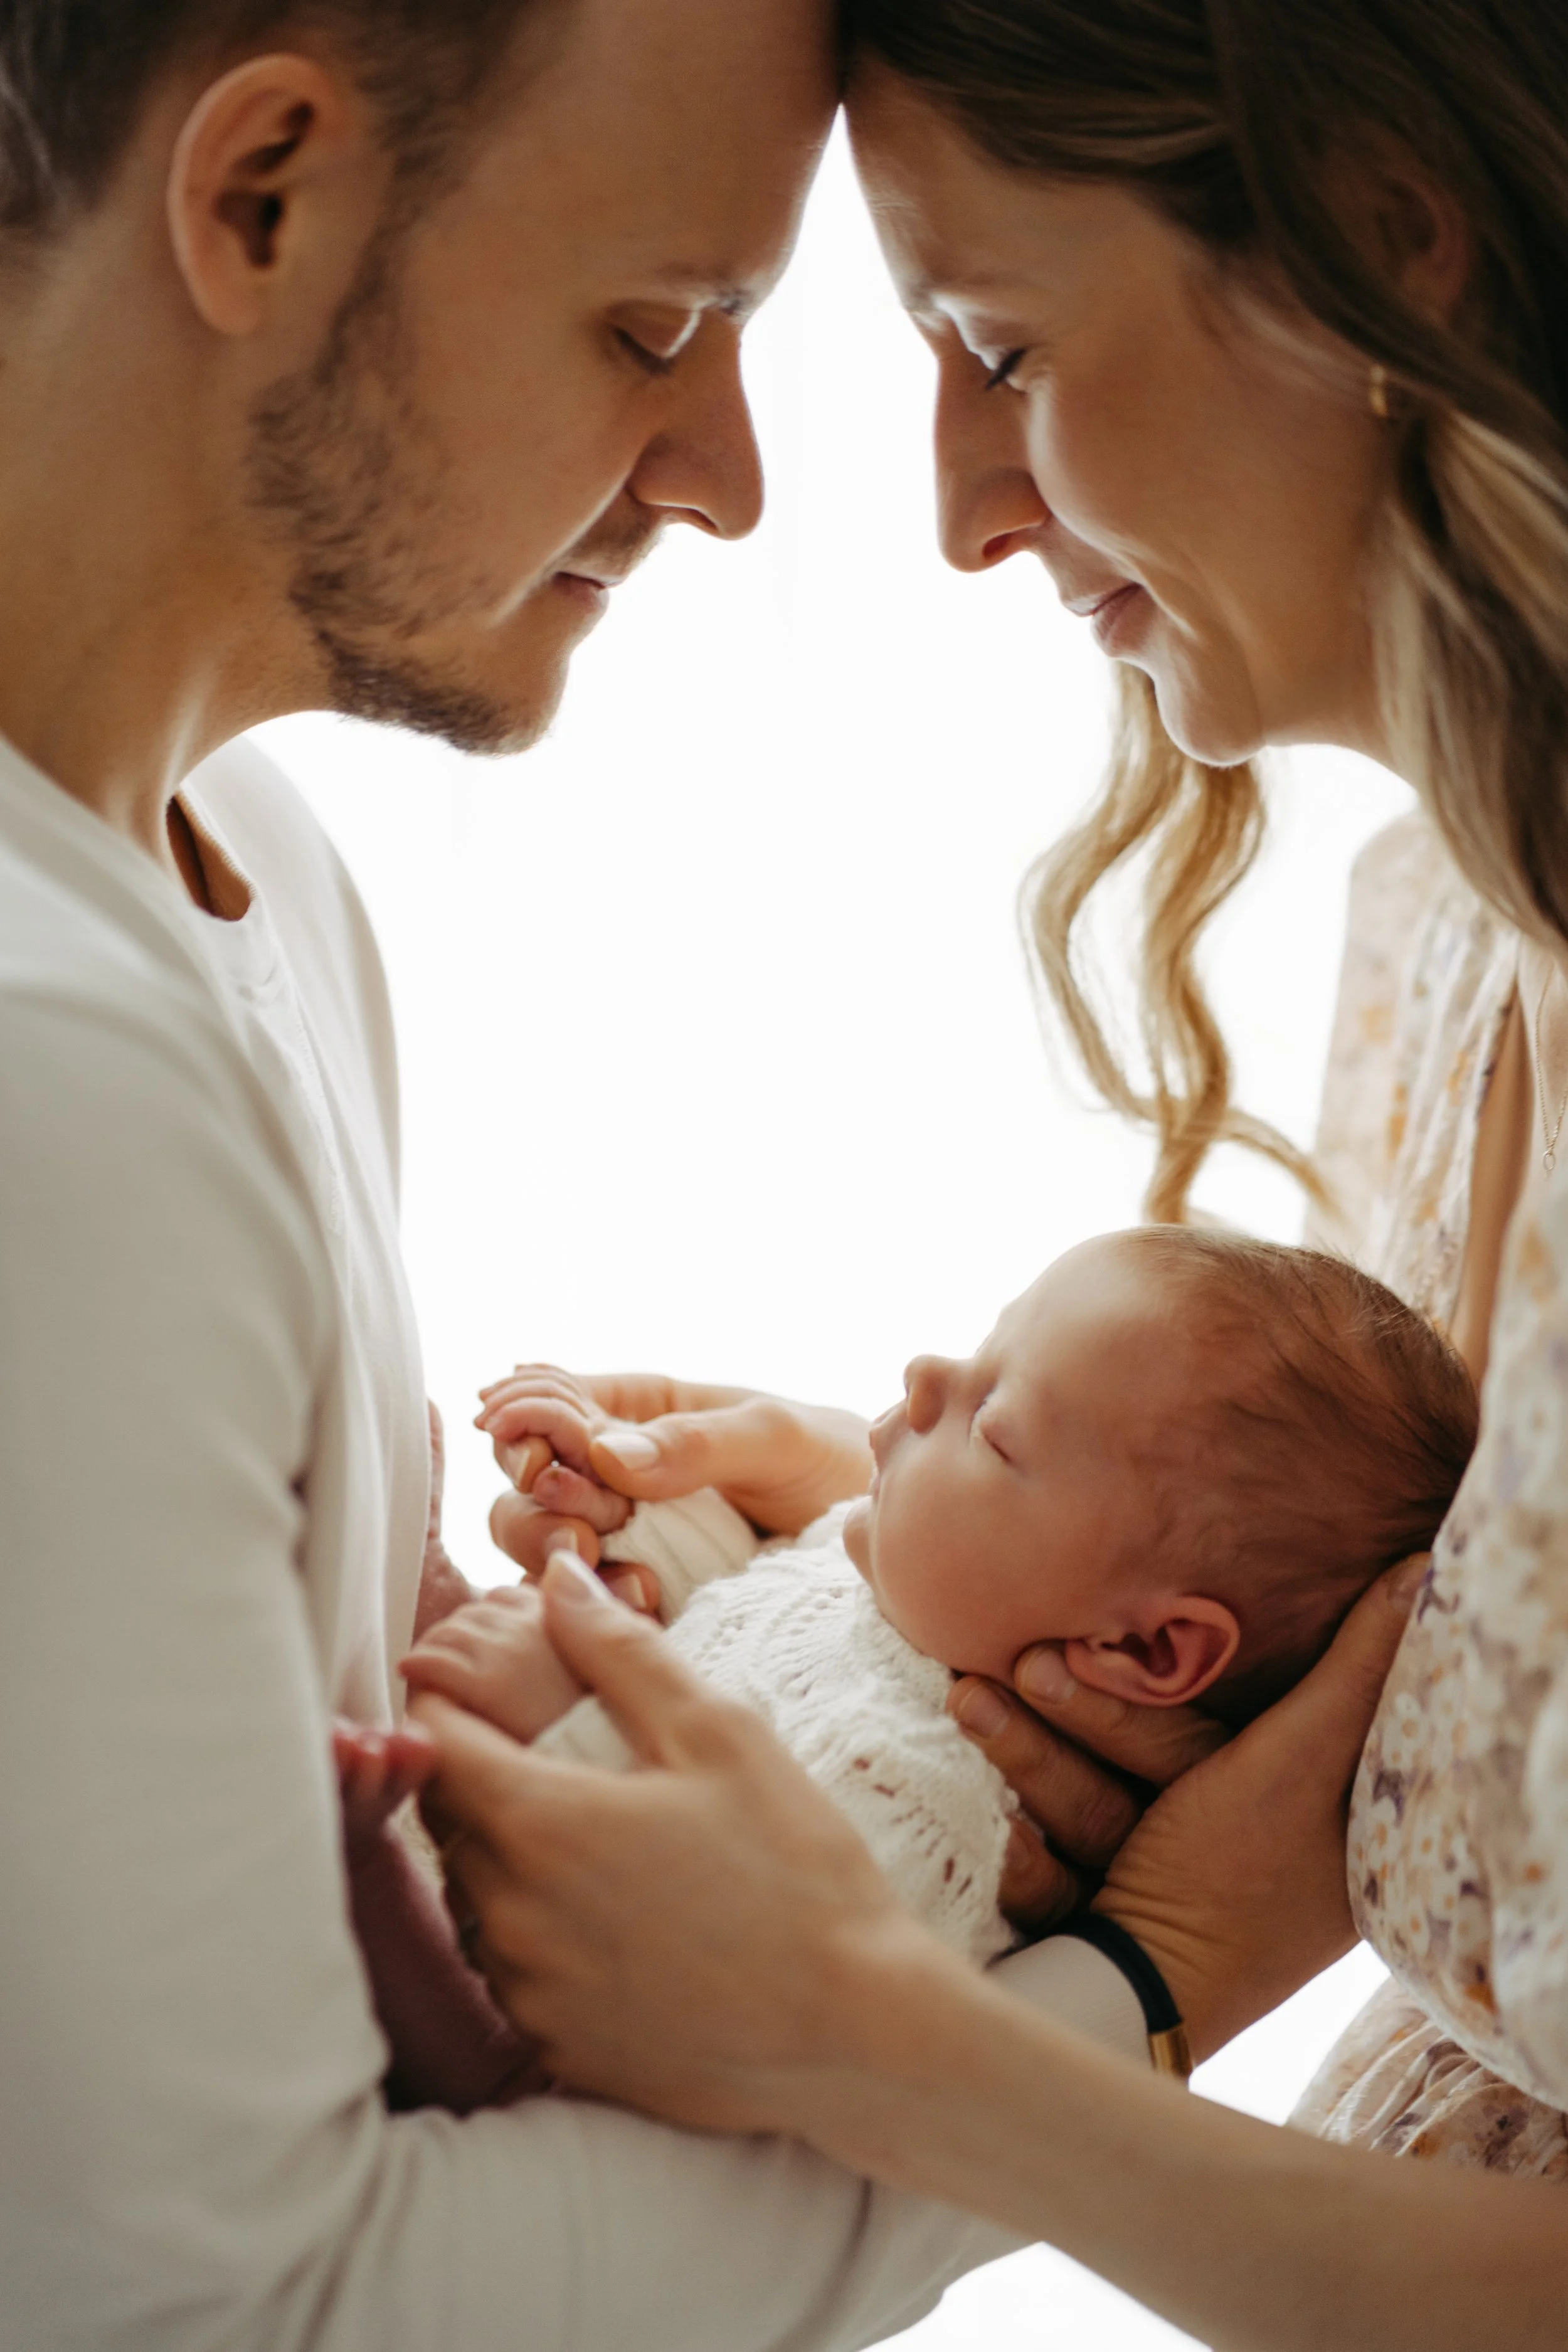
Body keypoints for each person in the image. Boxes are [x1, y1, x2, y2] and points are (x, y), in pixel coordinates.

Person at [0, 1, 1216, 2345]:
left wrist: (792, 1605)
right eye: (655, 325)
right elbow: (246, 2315)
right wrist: (1143, 1986)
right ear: (262, 194)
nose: (728, 475)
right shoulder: (52, 1090)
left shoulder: (253, 870)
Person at [423, 1, 1568, 2342]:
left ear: (1384, 247)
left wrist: (870, 2032)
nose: (962, 514)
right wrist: (893, 1534)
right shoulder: (1434, 940)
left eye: (1000, 345)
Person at [342, 1226, 1473, 2115]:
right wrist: (624, 1520)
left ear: (1139, 1649)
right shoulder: (908, 1587)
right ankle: (408, 1632)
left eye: (995, 1424)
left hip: (518, 2040)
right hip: (494, 1872)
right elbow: (745, 1611)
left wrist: (566, 1730)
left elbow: (699, 1985)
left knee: (490, 2055)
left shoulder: (949, 1817)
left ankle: (361, 1849)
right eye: (977, 1346)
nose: (925, 1374)